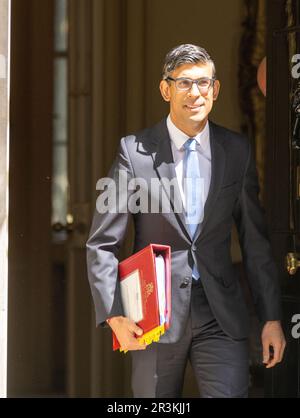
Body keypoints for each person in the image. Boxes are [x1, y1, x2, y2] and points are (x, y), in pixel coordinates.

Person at [86, 44, 286, 398]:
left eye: (204, 83)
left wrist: (271, 318)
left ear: (216, 89)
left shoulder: (236, 150)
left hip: (220, 315)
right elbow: (102, 242)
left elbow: (254, 240)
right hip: (154, 318)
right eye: (184, 83)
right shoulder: (134, 152)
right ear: (166, 89)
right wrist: (114, 313)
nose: (195, 93)